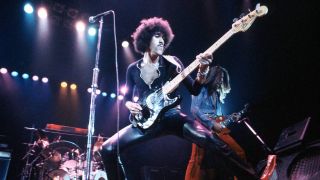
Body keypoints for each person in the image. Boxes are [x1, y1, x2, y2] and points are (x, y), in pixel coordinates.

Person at [100, 17, 257, 180]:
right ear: (146, 39)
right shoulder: (133, 69)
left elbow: (195, 90)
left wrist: (202, 68)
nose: (162, 41)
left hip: (173, 118)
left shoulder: (173, 62)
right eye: (157, 36)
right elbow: (126, 97)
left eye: (163, 37)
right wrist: (129, 104)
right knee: (108, 148)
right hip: (146, 122)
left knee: (211, 139)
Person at [185, 66, 248, 180]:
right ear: (213, 76)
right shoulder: (201, 88)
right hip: (200, 127)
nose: (221, 80)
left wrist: (229, 117)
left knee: (238, 153)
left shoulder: (217, 95)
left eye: (223, 78)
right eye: (220, 77)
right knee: (196, 159)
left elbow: (217, 117)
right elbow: (194, 109)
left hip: (213, 128)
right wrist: (211, 124)